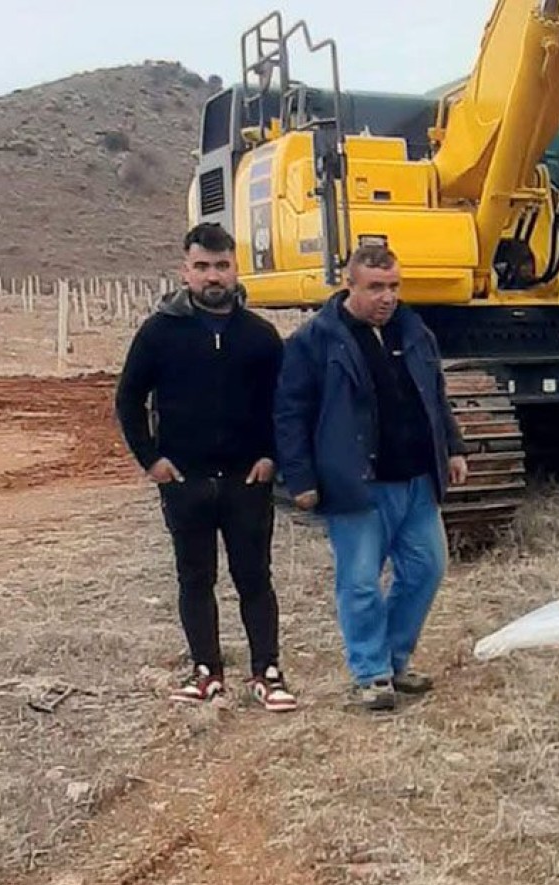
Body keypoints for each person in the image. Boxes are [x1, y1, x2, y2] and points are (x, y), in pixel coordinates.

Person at [274, 244, 468, 712]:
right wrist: (299, 477)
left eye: (394, 286)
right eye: (376, 287)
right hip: (357, 484)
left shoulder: (415, 331)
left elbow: (434, 394)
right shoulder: (314, 341)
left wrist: (454, 447)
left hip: (417, 480)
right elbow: (290, 412)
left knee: (426, 570)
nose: (388, 297)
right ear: (349, 285)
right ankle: (371, 673)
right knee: (360, 582)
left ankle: (396, 662)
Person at [114, 222, 296, 712]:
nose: (212, 277)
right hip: (185, 481)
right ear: (184, 271)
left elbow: (285, 404)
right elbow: (129, 398)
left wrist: (272, 457)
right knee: (195, 579)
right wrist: (151, 460)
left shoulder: (261, 336)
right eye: (202, 267)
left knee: (254, 577)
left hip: (246, 481)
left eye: (221, 266)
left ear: (236, 269)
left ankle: (268, 672)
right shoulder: (158, 333)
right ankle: (205, 672)